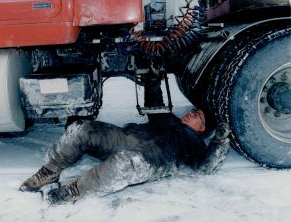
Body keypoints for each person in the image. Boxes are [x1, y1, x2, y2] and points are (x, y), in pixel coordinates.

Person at [19, 73, 231, 204]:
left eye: (196, 116)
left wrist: (220, 141)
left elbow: (206, 167)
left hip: (150, 159)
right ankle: (49, 171)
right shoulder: (169, 119)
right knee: (82, 129)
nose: (190, 114)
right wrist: (152, 78)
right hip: (125, 138)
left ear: (202, 129)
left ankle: (73, 191)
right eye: (192, 111)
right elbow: (155, 101)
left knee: (124, 164)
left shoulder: (193, 143)